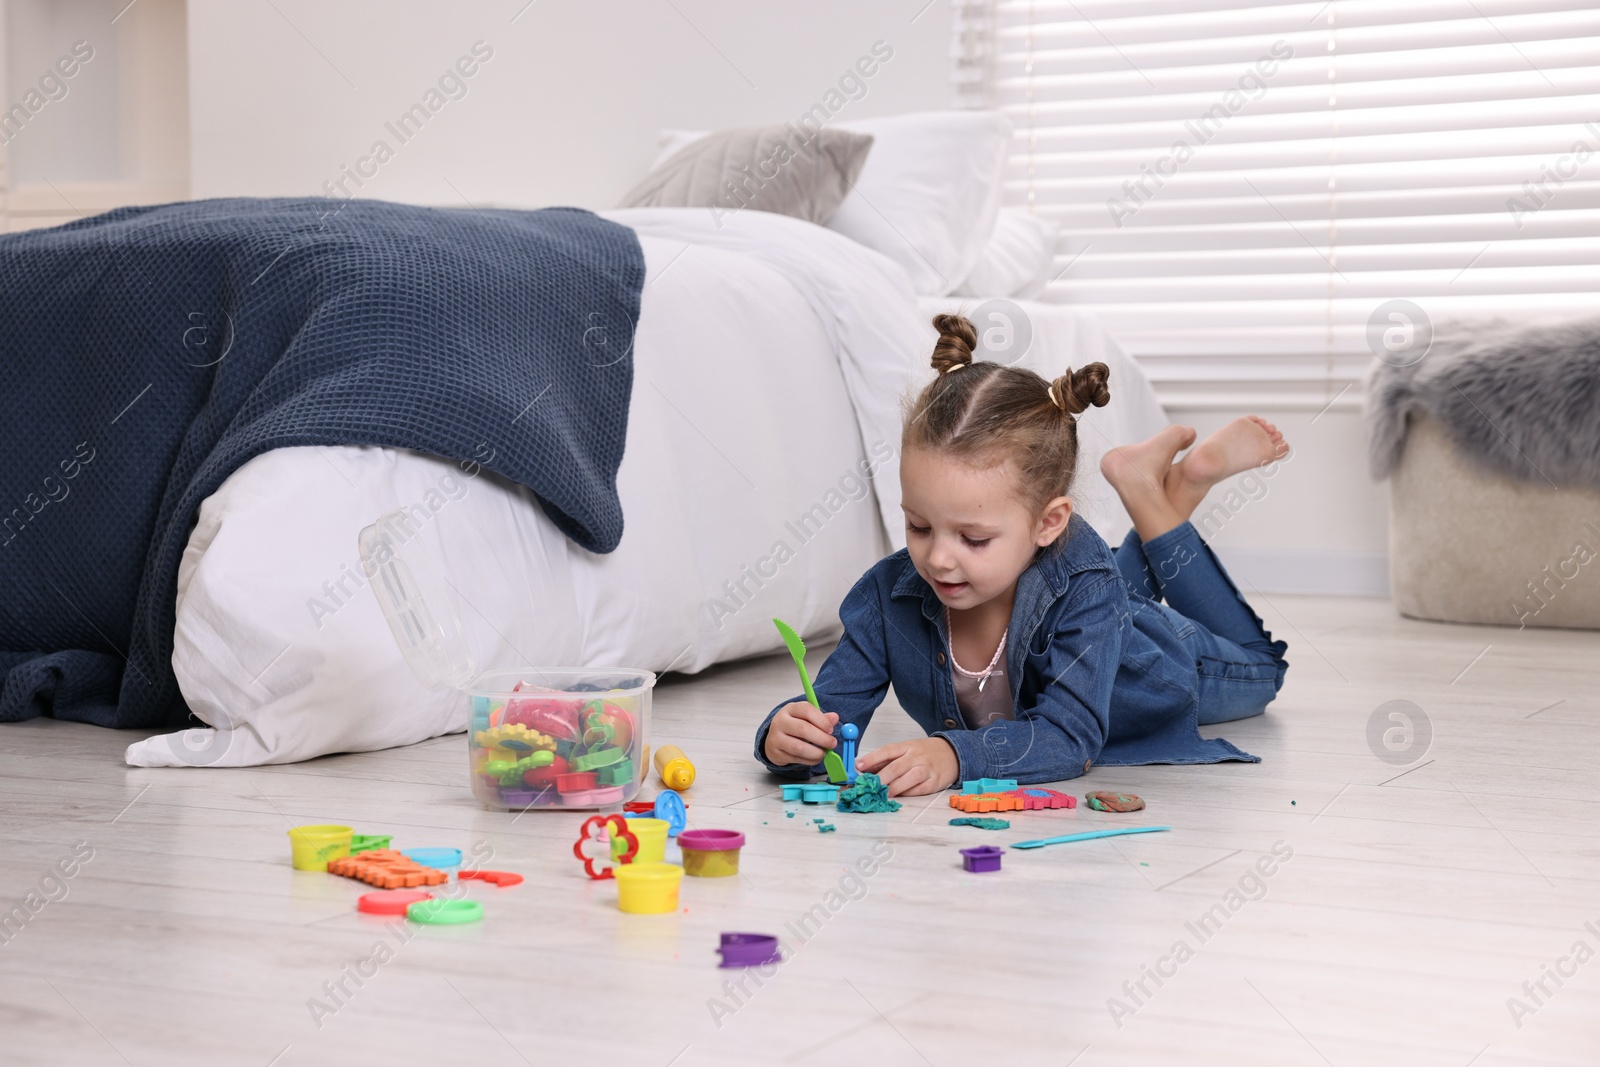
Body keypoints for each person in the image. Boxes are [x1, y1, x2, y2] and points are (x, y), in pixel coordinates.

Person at [754, 313, 1290, 796]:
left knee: (1264, 670)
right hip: (1092, 598)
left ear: (1048, 523)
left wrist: (954, 754)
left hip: (1153, 657)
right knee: (1100, 588)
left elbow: (1068, 737)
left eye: (974, 539)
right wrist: (786, 736)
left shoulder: (1087, 585)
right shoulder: (885, 597)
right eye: (918, 525)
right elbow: (826, 715)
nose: (938, 559)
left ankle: (1166, 492)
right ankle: (1156, 489)